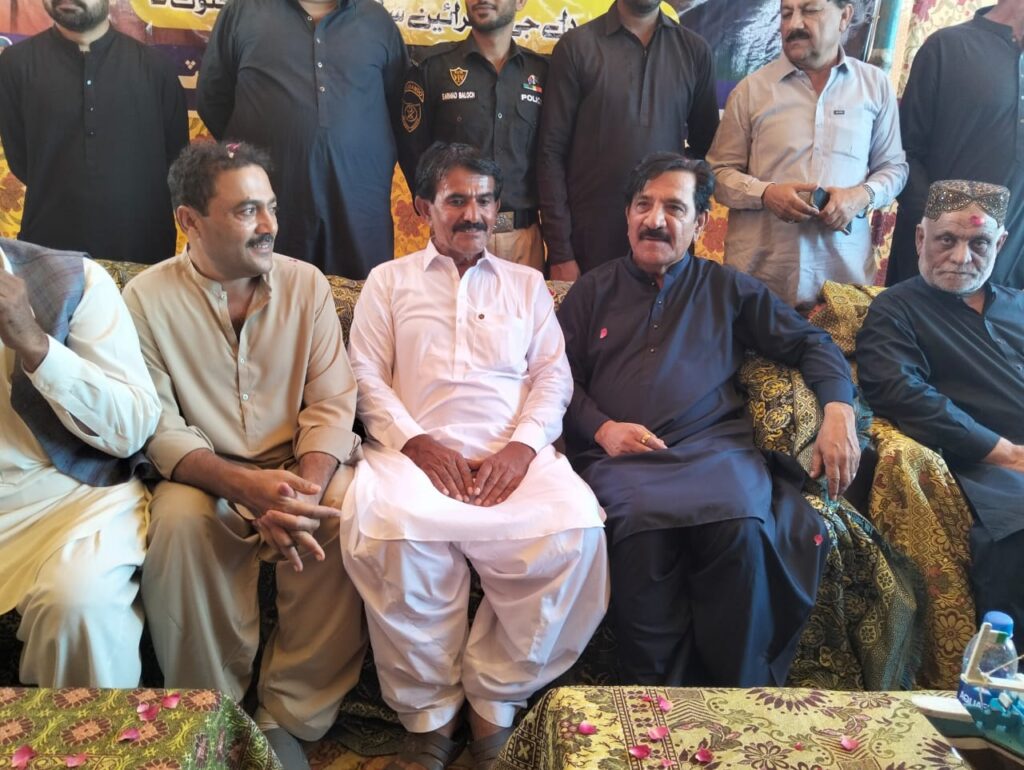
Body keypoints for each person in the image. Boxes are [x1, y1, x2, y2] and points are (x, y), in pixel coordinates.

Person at [342, 142, 608, 770]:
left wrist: (521, 447)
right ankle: (430, 716)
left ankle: (494, 702)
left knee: (574, 532)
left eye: (485, 201)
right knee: (388, 533)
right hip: (412, 454)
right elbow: (365, 374)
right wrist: (416, 442)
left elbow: (552, 376)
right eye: (457, 200)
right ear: (423, 208)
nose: (474, 214)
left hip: (512, 456)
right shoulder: (388, 281)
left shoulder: (526, 285)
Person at [559, 152, 860, 686]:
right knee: (638, 532)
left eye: (674, 208)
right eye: (643, 205)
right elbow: (555, 379)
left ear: (700, 223)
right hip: (623, 460)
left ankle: (735, 698)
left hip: (715, 452)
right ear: (627, 216)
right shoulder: (591, 292)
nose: (655, 220)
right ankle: (655, 703)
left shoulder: (727, 288)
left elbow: (811, 344)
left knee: (741, 525)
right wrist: (603, 429)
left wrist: (839, 408)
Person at [122, 142, 364, 770]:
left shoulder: (307, 284)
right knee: (180, 523)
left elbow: (331, 403)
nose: (268, 225)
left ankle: (290, 717)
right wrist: (243, 488)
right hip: (203, 472)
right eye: (246, 210)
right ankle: (213, 710)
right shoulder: (145, 298)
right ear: (189, 221)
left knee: (341, 512)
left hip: (299, 466)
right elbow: (157, 424)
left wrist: (300, 492)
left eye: (271, 207)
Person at [858, 179, 1024, 633]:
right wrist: (1007, 453)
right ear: (920, 238)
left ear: (1000, 244)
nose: (961, 257)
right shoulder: (896, 310)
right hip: (986, 463)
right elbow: (901, 392)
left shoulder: (1018, 305)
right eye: (946, 240)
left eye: (979, 243)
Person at [0, 238, 159, 687]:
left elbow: (132, 427)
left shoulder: (73, 281)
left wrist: (35, 344)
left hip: (71, 497)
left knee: (81, 602)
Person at [706, 0, 907, 309]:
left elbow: (894, 168)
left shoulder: (874, 87)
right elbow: (717, 174)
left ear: (845, 16)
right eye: (786, 13)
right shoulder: (750, 91)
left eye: (810, 10)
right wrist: (766, 194)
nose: (794, 24)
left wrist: (861, 196)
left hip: (843, 285)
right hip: (760, 283)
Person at [197, 0, 408, 279]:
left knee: (360, 294)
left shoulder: (376, 21)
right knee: (268, 291)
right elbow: (213, 99)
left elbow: (402, 109)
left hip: (359, 202)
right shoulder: (243, 12)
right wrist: (266, 143)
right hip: (270, 197)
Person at [536, 0, 719, 280]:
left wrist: (678, 212)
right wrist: (561, 253)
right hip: (588, 248)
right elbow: (550, 153)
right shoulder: (577, 46)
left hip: (665, 246)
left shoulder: (694, 51)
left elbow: (706, 151)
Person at [0, 0, 187, 263]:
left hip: (142, 249)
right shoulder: (15, 64)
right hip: (50, 250)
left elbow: (176, 159)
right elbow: (21, 158)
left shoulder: (155, 68)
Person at [398, 0, 547, 271]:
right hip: (455, 236)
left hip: (522, 241)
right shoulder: (433, 68)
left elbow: (553, 156)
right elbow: (413, 154)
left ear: (521, 2)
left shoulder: (541, 72)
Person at [886, 2, 1024, 289]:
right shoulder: (946, 47)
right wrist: (944, 231)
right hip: (937, 269)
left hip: (1011, 283)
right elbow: (904, 153)